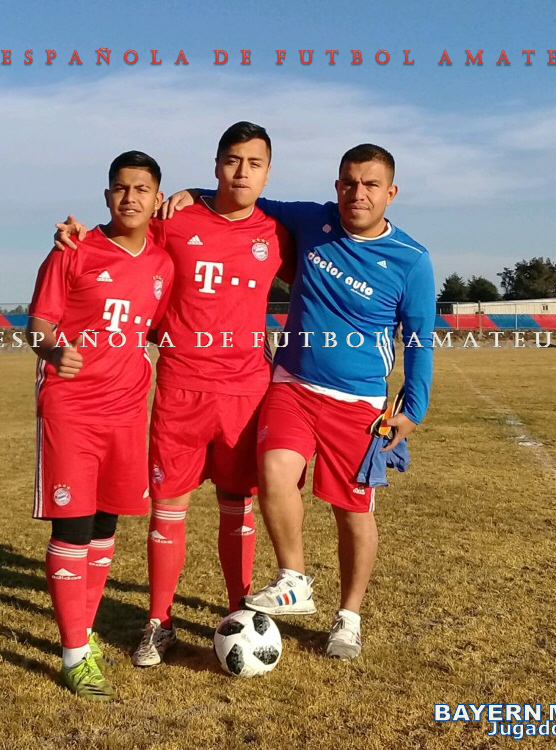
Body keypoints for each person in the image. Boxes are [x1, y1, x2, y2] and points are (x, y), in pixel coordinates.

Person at [167, 144, 435, 659]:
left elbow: (420, 339)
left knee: (352, 512)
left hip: (359, 404)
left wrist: (413, 408)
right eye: (349, 182)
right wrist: (194, 193)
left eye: (371, 185)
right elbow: (245, 196)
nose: (358, 193)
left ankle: (349, 618)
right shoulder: (313, 220)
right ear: (337, 186)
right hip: (291, 385)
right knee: (273, 473)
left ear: (391, 192)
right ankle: (294, 579)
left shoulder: (412, 260)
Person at [53, 122, 294, 668]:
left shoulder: (278, 233)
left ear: (267, 172)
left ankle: (238, 611)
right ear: (216, 165)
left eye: (254, 163)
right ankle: (158, 623)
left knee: (237, 506)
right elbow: (124, 234)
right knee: (168, 510)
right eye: (232, 160)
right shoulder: (175, 218)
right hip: (181, 388)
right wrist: (78, 236)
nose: (242, 172)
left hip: (246, 393)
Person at [27, 151, 174, 699]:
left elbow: (156, 330)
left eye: (141, 189)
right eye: (121, 188)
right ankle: (73, 657)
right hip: (71, 409)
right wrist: (52, 350)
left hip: (128, 412)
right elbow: (37, 324)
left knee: (105, 527)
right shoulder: (73, 250)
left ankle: (83, 634)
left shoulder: (162, 264)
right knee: (72, 525)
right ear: (107, 195)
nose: (130, 198)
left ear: (157, 199)